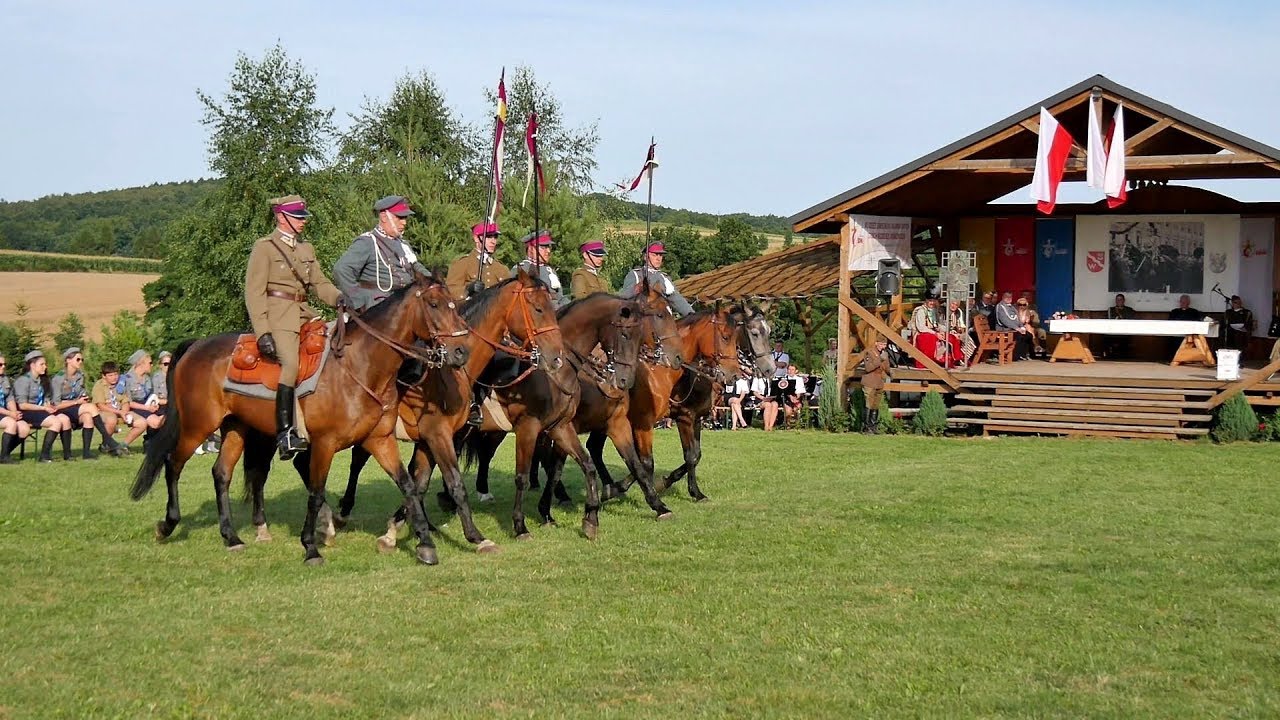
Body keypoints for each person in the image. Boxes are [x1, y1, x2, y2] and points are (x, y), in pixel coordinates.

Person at [245, 194, 342, 460]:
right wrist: (263, 331)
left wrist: (340, 299)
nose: (303, 221)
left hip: (305, 313)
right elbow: (254, 292)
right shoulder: (264, 247)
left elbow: (320, 284)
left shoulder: (305, 249)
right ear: (281, 217)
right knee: (290, 365)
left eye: (303, 217)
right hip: (278, 317)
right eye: (297, 217)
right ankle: (286, 433)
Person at [334, 195, 428, 312]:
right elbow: (341, 269)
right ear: (384, 216)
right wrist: (359, 299)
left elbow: (416, 266)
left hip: (405, 304)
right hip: (378, 308)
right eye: (399, 217)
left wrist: (435, 283)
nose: (404, 222)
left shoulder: (403, 244)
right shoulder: (367, 242)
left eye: (405, 218)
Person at [53, 346, 126, 459]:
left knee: (88, 417)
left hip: (76, 408)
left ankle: (86, 453)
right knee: (91, 408)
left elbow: (81, 393)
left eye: (82, 359)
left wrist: (83, 398)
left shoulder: (80, 376)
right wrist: (76, 402)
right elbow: (56, 404)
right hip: (62, 408)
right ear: (68, 360)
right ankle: (109, 440)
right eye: (78, 359)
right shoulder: (58, 378)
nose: (80, 362)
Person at [13, 350, 72, 462]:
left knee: (65, 419)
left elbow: (46, 398)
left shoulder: (43, 380)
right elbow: (22, 405)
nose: (45, 367)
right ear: (32, 365)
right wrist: (43, 408)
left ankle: (68, 455)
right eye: (42, 364)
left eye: (45, 364)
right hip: (27, 412)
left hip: (40, 410)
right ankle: (44, 455)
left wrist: (48, 405)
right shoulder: (23, 380)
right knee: (55, 422)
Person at [620, 241, 694, 317]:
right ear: (645, 257)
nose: (658, 258)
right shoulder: (635, 275)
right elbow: (625, 299)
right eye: (654, 255)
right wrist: (639, 288)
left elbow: (678, 300)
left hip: (664, 318)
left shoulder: (665, 278)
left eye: (660, 255)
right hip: (642, 318)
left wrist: (692, 315)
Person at [446, 222, 507, 302]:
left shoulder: (501, 268)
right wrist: (468, 290)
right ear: (476, 239)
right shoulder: (463, 263)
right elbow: (450, 291)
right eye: (488, 237)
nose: (493, 241)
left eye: (495, 237)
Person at [117, 350, 165, 449]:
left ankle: (151, 442)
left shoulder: (147, 378)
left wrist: (154, 404)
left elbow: (150, 395)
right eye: (150, 363)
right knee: (156, 422)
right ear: (141, 363)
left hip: (147, 405)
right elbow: (127, 402)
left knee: (167, 416)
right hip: (135, 407)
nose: (152, 365)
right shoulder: (127, 379)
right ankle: (122, 446)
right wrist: (147, 408)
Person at [510, 230, 568, 309]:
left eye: (548, 247)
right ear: (531, 249)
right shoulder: (522, 270)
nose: (548, 251)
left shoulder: (550, 270)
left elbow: (560, 297)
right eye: (543, 247)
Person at [90, 362, 130, 456]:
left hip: (119, 411)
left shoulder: (120, 384)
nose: (114, 377)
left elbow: (125, 400)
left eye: (116, 374)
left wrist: (124, 412)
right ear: (104, 376)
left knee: (141, 422)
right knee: (111, 419)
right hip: (102, 412)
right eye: (110, 375)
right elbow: (100, 405)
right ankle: (106, 444)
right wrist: (119, 412)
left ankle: (123, 445)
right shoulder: (99, 385)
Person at [0, 353, 33, 464]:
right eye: (0, 364)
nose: (3, 367)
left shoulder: (5, 379)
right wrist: (10, 414)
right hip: (4, 413)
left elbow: (10, 398)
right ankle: (4, 457)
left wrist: (14, 412)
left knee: (24, 428)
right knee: (11, 424)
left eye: (5, 364)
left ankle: (4, 454)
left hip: (5, 412)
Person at [860, 337, 890, 434]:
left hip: (879, 382)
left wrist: (890, 372)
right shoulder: (869, 353)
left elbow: (886, 368)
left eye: (884, 345)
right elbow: (868, 368)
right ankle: (866, 427)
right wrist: (880, 359)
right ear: (876, 343)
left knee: (875, 405)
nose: (883, 347)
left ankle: (873, 426)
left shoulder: (884, 354)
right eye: (881, 344)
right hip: (870, 381)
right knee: (868, 404)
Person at [994, 291, 1031, 361]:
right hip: (1003, 330)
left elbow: (1017, 318)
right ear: (1003, 297)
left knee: (1028, 335)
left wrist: (1021, 326)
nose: (1008, 298)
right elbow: (1004, 321)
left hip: (1012, 329)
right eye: (1006, 297)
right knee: (1019, 336)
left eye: (1010, 297)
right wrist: (1016, 328)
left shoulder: (1011, 307)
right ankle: (1014, 356)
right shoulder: (1000, 306)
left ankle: (1022, 354)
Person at [1103, 293, 1136, 359]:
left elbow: (1131, 320)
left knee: (1125, 338)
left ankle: (1123, 355)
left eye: (1120, 299)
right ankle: (1108, 355)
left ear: (1124, 300)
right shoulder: (1111, 309)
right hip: (1112, 331)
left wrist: (1121, 318)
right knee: (1104, 336)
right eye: (1117, 300)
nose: (1119, 301)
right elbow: (1107, 319)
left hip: (1125, 330)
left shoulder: (1129, 310)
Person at [946, 300, 976, 366]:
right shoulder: (945, 311)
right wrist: (952, 331)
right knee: (955, 338)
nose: (954, 306)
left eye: (956, 305)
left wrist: (961, 330)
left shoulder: (958, 312)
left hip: (956, 331)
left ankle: (964, 357)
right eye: (952, 304)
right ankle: (958, 358)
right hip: (946, 331)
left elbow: (961, 324)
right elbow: (943, 325)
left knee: (967, 338)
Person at [151, 350, 171, 416]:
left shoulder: (175, 375)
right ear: (160, 365)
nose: (169, 366)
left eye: (171, 363)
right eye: (166, 364)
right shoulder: (156, 378)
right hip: (162, 406)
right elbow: (155, 398)